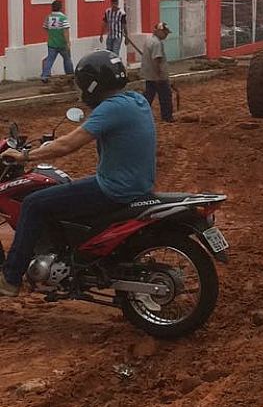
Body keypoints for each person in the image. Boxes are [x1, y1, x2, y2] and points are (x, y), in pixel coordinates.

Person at [0, 51, 156, 297]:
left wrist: (24, 156)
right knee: (60, 195)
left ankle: (10, 278)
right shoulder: (137, 100)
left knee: (33, 203)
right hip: (138, 185)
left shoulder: (110, 109)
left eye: (83, 83)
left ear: (93, 84)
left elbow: (68, 144)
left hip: (114, 189)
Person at [141, 22, 174, 123]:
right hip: (158, 76)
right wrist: (159, 75)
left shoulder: (149, 40)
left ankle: (140, 114)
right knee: (165, 96)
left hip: (149, 74)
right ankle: (167, 117)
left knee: (148, 96)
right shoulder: (157, 43)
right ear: (159, 31)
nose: (166, 35)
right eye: (165, 32)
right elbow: (157, 60)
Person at [41, 0, 74, 82]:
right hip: (62, 43)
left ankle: (45, 76)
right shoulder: (63, 17)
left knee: (50, 59)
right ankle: (70, 75)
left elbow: (45, 27)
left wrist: (52, 34)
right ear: (60, 8)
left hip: (52, 43)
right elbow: (65, 30)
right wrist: (67, 42)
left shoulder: (49, 17)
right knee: (67, 59)